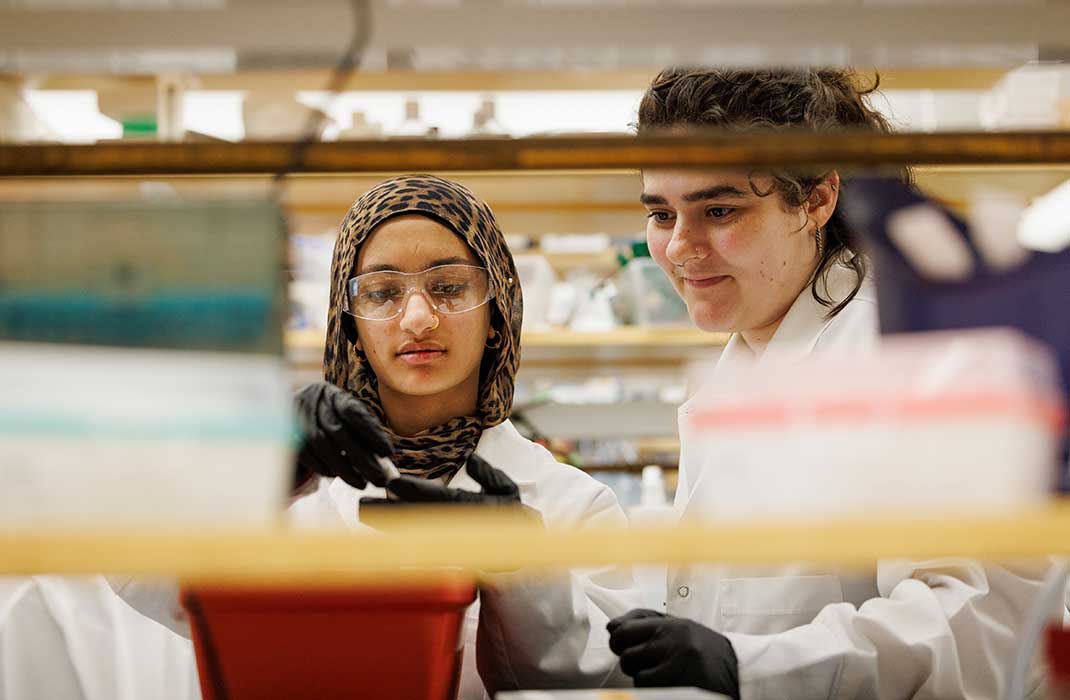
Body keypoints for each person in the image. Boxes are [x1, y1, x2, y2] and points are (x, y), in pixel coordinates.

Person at [605, 68, 1060, 699]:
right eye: (661, 214)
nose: (680, 248)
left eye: (718, 210)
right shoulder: (748, 359)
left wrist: (750, 664)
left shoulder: (908, 352)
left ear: (817, 199)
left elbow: (976, 625)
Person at [283, 174, 643, 699]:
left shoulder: (576, 506)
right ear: (350, 324)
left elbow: (609, 678)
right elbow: (161, 588)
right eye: (383, 292)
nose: (418, 318)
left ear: (497, 311)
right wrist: (269, 473)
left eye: (448, 287)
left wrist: (521, 563)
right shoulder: (297, 496)